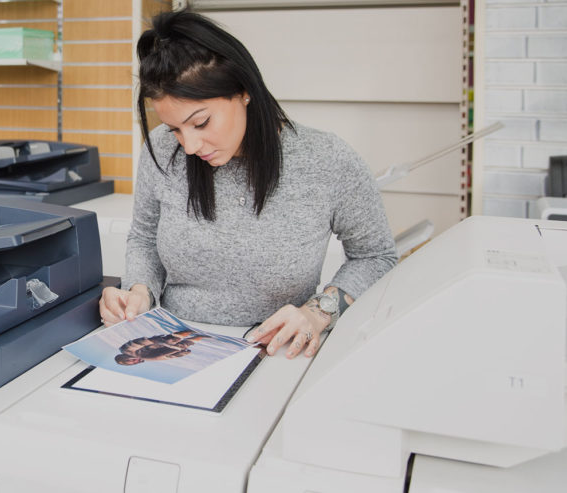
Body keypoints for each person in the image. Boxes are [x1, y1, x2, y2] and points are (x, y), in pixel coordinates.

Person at [99, 10, 397, 360]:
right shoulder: (162, 150)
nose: (190, 146)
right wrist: (139, 291)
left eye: (201, 122)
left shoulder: (327, 159)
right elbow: (145, 238)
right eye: (176, 129)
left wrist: (317, 313)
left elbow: (376, 257)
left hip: (277, 353)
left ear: (243, 91)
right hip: (170, 346)